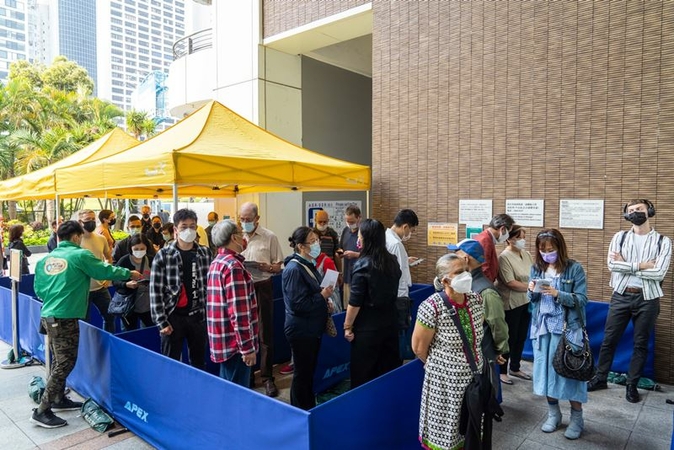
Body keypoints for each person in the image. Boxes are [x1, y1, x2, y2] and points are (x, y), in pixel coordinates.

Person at [30, 220, 139, 428]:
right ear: (77, 237)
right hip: (64, 317)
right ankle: (42, 410)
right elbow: (103, 271)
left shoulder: (47, 259)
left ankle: (59, 398)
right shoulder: (80, 255)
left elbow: (39, 289)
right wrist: (128, 273)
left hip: (48, 315)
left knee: (58, 360)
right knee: (65, 363)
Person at [588, 199, 672, 403]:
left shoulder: (663, 241)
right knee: (609, 340)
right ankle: (600, 378)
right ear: (626, 215)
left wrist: (625, 264)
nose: (635, 213)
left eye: (639, 209)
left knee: (641, 343)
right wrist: (642, 265)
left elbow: (659, 271)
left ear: (649, 211)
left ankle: (632, 385)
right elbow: (611, 265)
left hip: (648, 298)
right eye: (631, 210)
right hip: (621, 294)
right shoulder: (620, 237)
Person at [412, 253, 485, 450]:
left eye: (466, 270)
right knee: (444, 433)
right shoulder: (431, 306)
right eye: (459, 272)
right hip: (443, 384)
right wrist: (443, 364)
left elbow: (476, 338)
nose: (466, 276)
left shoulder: (476, 300)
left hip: (473, 381)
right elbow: (419, 348)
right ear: (445, 280)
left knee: (471, 432)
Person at [528, 228, 588, 440]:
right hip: (542, 329)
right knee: (545, 373)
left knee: (570, 373)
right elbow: (532, 301)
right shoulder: (536, 268)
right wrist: (532, 290)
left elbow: (581, 300)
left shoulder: (574, 269)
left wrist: (557, 293)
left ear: (560, 248)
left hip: (568, 329)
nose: (546, 254)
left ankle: (577, 419)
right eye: (542, 250)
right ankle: (553, 414)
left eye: (550, 250)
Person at [343, 219, 402, 388]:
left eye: (360, 235)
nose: (358, 239)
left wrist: (347, 326)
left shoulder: (362, 265)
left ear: (366, 238)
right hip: (390, 324)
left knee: (364, 376)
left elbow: (355, 302)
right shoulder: (391, 260)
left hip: (367, 330)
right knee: (387, 373)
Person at [150, 208, 212, 369]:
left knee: (199, 363)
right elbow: (155, 291)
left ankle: (196, 392)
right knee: (170, 363)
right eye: (184, 227)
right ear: (176, 230)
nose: (189, 230)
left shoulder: (205, 253)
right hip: (173, 316)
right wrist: (161, 321)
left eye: (192, 226)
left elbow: (210, 286)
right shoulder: (164, 255)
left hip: (198, 316)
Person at [282, 226, 334, 410]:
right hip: (301, 329)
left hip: (311, 327)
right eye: (312, 242)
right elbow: (298, 305)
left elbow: (313, 294)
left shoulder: (307, 265)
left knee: (308, 372)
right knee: (302, 374)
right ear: (301, 246)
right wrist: (321, 297)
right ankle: (299, 409)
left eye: (317, 241)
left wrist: (324, 299)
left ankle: (307, 406)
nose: (317, 245)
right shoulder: (294, 269)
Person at [449, 239, 508, 389]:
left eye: (456, 254)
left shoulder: (486, 291)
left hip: (483, 354)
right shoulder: (460, 285)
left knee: (483, 394)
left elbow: (498, 323)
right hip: (463, 356)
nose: (452, 257)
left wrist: (500, 350)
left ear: (465, 259)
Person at [206, 219, 259, 387]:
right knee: (237, 392)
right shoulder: (233, 266)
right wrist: (247, 348)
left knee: (227, 389)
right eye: (240, 233)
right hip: (234, 344)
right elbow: (239, 312)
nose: (244, 236)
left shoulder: (217, 262)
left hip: (222, 339)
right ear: (234, 238)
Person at [240, 201, 284, 397]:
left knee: (265, 333)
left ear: (257, 219)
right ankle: (247, 375)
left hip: (263, 286)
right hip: (242, 287)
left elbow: (278, 265)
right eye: (241, 219)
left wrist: (267, 267)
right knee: (244, 330)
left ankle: (267, 377)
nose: (244, 223)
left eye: (248, 220)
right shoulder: (236, 236)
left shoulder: (269, 237)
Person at [496, 224, 534, 384]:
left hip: (526, 301)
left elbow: (534, 274)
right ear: (509, 239)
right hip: (510, 303)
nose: (522, 241)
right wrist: (532, 287)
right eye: (519, 238)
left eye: (524, 237)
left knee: (521, 336)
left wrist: (535, 286)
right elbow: (510, 282)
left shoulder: (527, 254)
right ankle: (502, 371)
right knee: (509, 337)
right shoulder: (503, 257)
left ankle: (515, 367)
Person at [79, 209, 115, 333]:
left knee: (110, 315)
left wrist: (108, 278)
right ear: (80, 222)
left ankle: (108, 342)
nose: (91, 222)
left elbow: (108, 258)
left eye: (93, 219)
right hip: (83, 290)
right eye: (88, 220)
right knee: (85, 321)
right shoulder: (76, 241)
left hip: (100, 287)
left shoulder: (101, 239)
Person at [113, 234, 154, 330]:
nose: (139, 251)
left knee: (150, 332)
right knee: (129, 332)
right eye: (136, 249)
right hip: (129, 305)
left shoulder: (152, 260)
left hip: (148, 305)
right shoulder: (124, 261)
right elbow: (114, 280)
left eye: (142, 248)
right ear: (130, 248)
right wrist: (126, 284)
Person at [474, 213, 515, 283]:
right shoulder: (485, 240)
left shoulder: (487, 238)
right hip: (485, 284)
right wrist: (489, 286)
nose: (507, 236)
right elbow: (484, 267)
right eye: (508, 232)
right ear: (502, 229)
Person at [338, 204, 362, 308]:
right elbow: (341, 247)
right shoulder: (345, 231)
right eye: (347, 221)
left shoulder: (364, 233)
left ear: (359, 218)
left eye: (352, 222)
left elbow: (371, 255)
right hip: (347, 275)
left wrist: (355, 254)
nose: (349, 224)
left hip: (360, 275)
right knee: (347, 306)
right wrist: (340, 253)